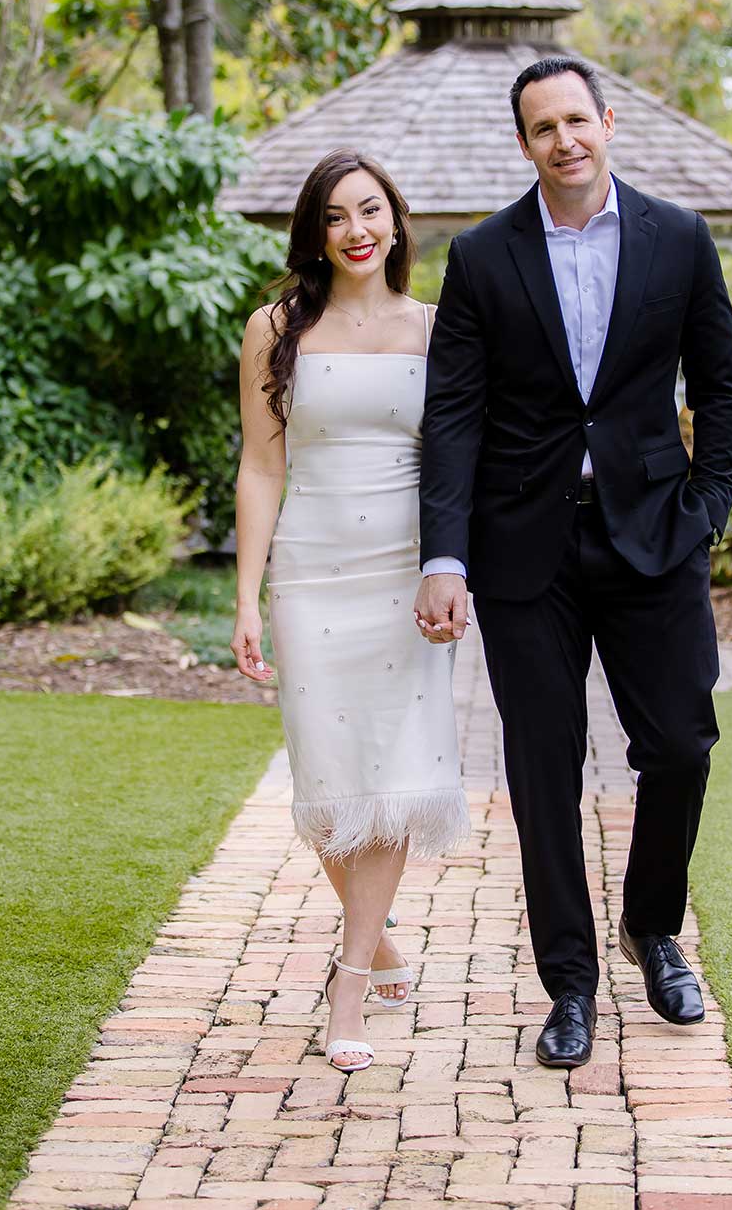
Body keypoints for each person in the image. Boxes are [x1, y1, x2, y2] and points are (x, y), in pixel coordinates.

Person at [414, 55, 732, 1069]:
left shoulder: (679, 238)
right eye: (542, 128)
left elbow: (721, 385)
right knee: (541, 771)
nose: (564, 140)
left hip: (655, 537)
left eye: (577, 120)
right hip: (527, 551)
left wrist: (709, 507)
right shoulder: (480, 258)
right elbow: (455, 417)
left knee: (682, 744)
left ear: (607, 122)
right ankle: (570, 983)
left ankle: (654, 929)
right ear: (524, 143)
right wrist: (446, 555)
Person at [232, 148, 470, 1074]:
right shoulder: (275, 326)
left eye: (372, 210)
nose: (357, 229)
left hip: (402, 574)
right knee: (328, 780)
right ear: (316, 233)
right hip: (311, 569)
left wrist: (453, 568)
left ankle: (346, 980)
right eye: (336, 216)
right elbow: (261, 464)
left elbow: (458, 461)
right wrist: (246, 595)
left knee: (397, 773)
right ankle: (378, 942)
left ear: (397, 221)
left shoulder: (436, 327)